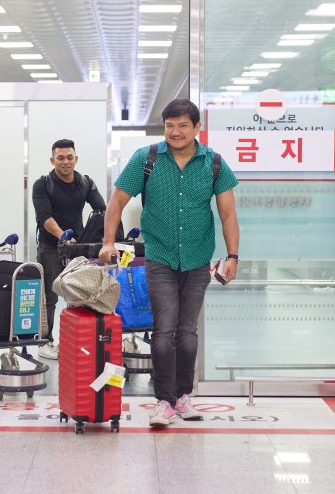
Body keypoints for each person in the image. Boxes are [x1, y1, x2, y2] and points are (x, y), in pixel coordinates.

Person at [99, 99, 240, 428]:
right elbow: (117, 202)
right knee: (163, 332)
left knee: (187, 333)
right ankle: (163, 401)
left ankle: (183, 396)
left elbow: (228, 214)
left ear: (196, 128)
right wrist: (108, 241)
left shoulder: (214, 164)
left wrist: (232, 256)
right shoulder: (146, 159)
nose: (175, 132)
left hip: (196, 258)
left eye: (183, 126)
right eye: (170, 125)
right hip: (160, 257)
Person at [32, 138, 106, 359]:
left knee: (81, 294)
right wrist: (62, 237)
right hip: (50, 246)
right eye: (60, 158)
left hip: (78, 248)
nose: (65, 162)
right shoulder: (43, 183)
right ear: (52, 160)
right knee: (50, 296)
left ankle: (81, 339)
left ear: (76, 159)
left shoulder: (85, 182)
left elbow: (101, 209)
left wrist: (105, 237)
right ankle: (46, 341)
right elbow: (44, 217)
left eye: (69, 157)